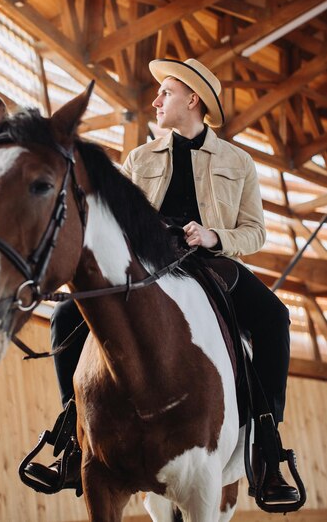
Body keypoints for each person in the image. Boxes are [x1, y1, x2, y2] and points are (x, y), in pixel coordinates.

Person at [25, 58, 299, 504]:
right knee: (62, 319)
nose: (156, 100)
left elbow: (256, 232)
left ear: (193, 99)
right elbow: (112, 221)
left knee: (275, 319)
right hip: (146, 265)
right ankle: (71, 439)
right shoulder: (139, 158)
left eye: (165, 93)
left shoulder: (238, 161)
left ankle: (268, 447)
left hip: (211, 264)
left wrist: (214, 236)